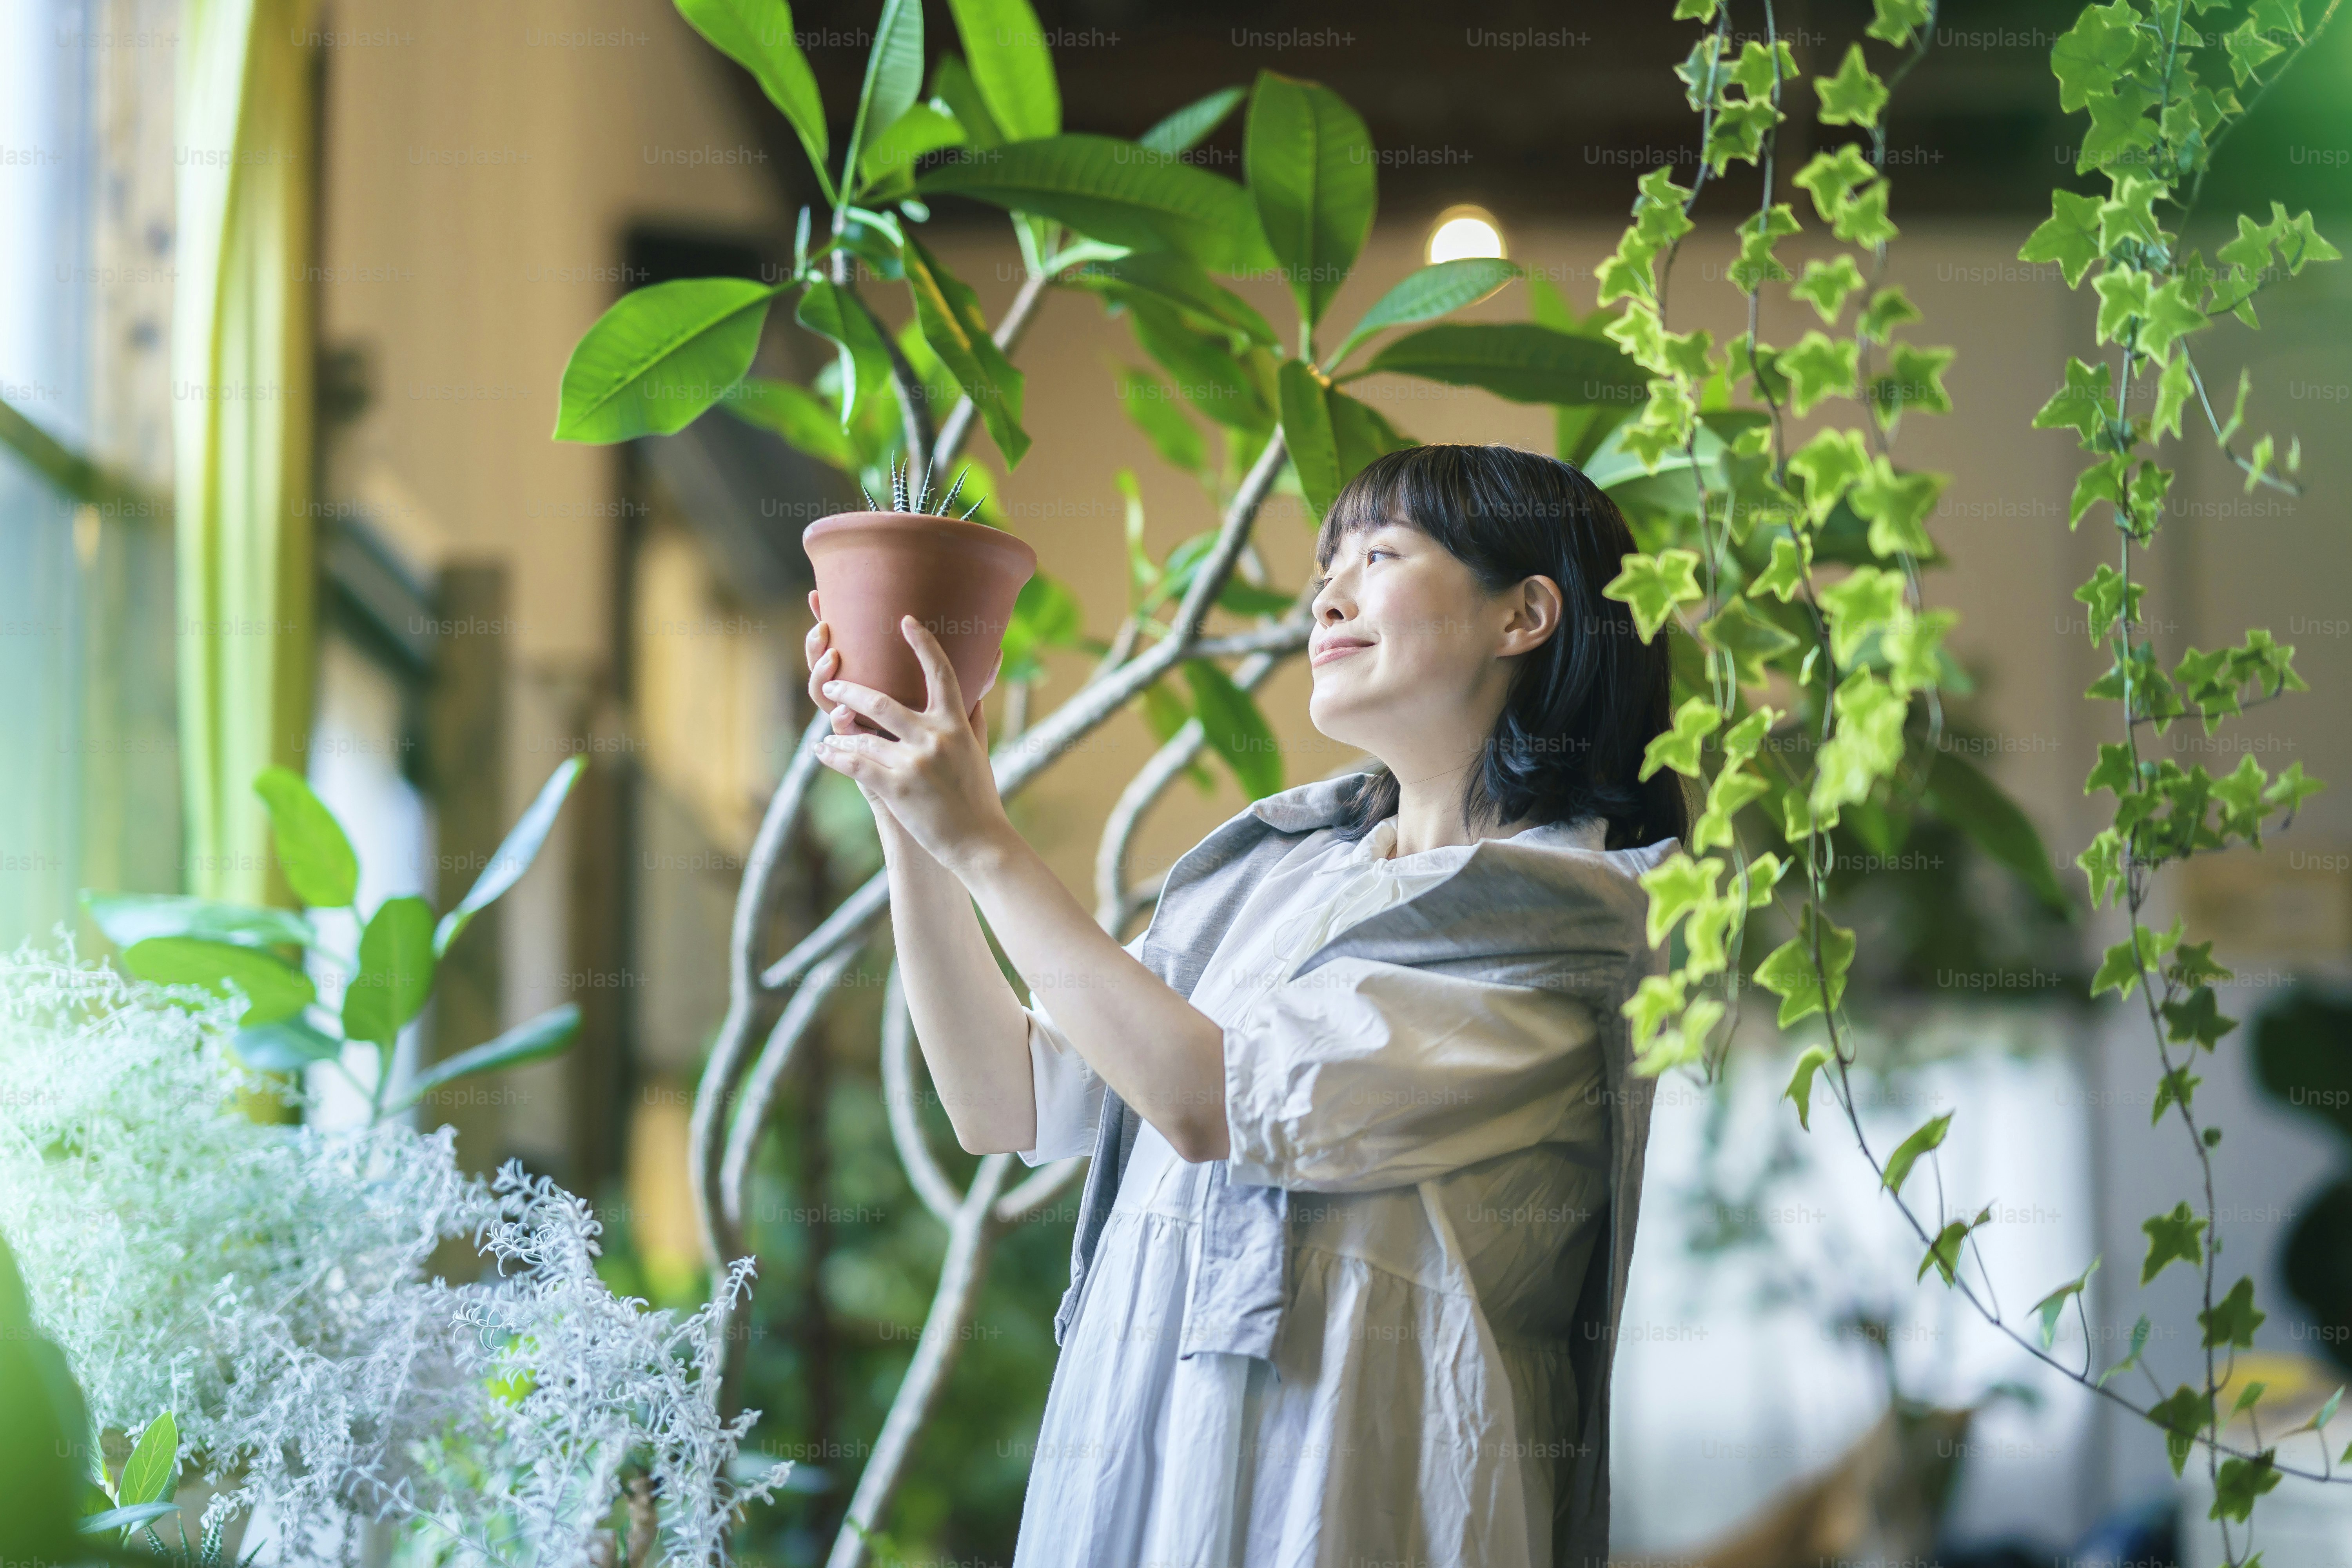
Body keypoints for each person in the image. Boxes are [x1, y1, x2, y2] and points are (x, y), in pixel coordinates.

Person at [805, 443, 1689, 1568]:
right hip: (1155, 1449)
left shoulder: (1564, 925)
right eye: (1328, 561)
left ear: (1525, 615)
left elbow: (1209, 1099)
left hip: (1355, 1477)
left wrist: (979, 836)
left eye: (1380, 554)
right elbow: (1007, 1100)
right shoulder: (1269, 881)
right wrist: (911, 815)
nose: (1328, 591)